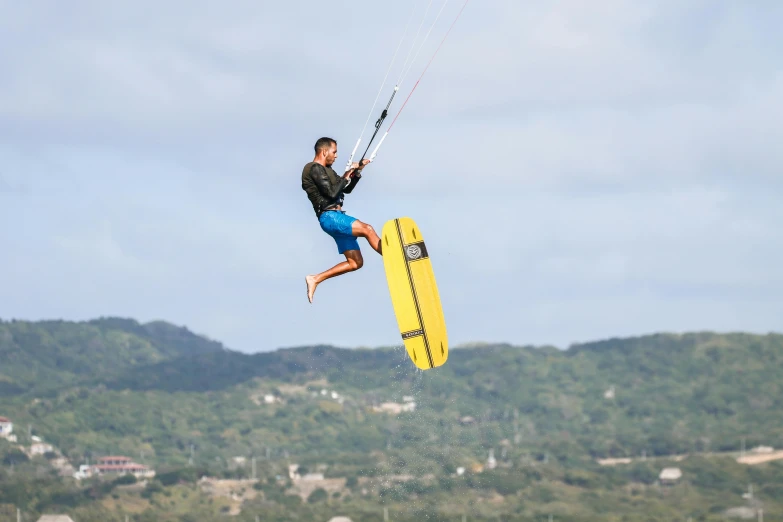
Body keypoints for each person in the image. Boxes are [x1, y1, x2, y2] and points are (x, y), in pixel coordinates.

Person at [301, 137, 382, 303]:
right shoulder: (313, 168)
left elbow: (346, 188)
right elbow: (331, 193)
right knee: (367, 229)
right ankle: (392, 256)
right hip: (330, 217)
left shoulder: (328, 170)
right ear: (324, 151)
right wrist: (347, 173)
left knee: (355, 263)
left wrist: (357, 171)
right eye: (334, 152)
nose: (336, 156)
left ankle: (315, 278)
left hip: (337, 218)